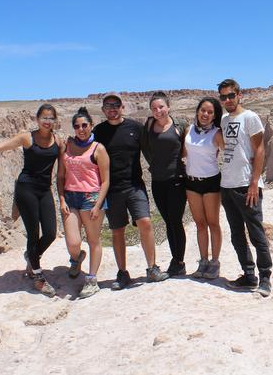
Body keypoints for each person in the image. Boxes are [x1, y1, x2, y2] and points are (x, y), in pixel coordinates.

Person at [0, 104, 64, 297]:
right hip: (26, 189)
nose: (47, 122)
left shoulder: (58, 140)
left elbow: (66, 167)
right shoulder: (27, 137)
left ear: (55, 120)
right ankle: (37, 277)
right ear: (37, 119)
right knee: (33, 233)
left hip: (45, 190)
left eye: (51, 118)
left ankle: (31, 257)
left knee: (50, 233)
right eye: (44, 118)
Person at [92, 93, 168, 288]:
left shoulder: (135, 128)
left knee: (145, 222)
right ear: (103, 110)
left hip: (135, 185)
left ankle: (152, 268)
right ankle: (123, 273)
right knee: (118, 231)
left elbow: (150, 151)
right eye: (108, 105)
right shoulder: (98, 131)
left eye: (115, 105)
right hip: (112, 189)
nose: (112, 108)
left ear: (122, 107)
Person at [217, 79, 273, 297]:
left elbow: (259, 150)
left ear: (239, 95)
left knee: (256, 233)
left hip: (245, 184)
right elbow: (227, 147)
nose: (228, 100)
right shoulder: (223, 119)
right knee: (236, 234)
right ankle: (249, 275)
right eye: (223, 97)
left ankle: (265, 277)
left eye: (231, 95)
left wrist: (253, 182)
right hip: (227, 184)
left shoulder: (250, 117)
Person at [58, 107, 110, 299]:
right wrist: (62, 198)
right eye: (77, 126)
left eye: (84, 125)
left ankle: (92, 279)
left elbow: (105, 180)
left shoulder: (98, 149)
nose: (81, 129)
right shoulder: (67, 146)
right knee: (73, 242)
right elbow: (60, 176)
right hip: (71, 196)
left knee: (93, 239)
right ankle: (76, 258)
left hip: (91, 198)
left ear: (91, 126)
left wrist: (98, 205)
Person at [140, 92, 189, 277]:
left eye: (161, 107)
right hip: (158, 181)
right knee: (168, 222)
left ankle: (179, 261)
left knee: (175, 221)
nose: (158, 111)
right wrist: (153, 165)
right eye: (154, 108)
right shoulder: (149, 126)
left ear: (168, 107)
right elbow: (145, 148)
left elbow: (187, 148)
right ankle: (176, 260)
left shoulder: (180, 126)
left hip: (177, 180)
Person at [183, 97, 224, 279]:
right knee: (200, 224)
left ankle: (215, 262)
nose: (205, 114)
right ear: (197, 111)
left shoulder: (216, 133)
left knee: (213, 223)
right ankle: (203, 261)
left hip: (211, 182)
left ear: (215, 116)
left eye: (210, 112)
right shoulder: (189, 130)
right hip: (191, 181)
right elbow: (184, 153)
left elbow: (230, 153)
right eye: (203, 110)